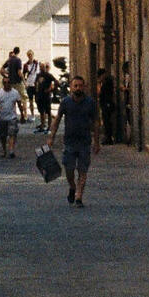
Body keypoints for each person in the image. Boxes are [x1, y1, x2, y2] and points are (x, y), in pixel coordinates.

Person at [48, 73, 100, 204]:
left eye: (80, 86)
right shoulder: (66, 102)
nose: (78, 88)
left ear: (84, 87)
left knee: (83, 170)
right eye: (75, 86)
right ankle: (72, 187)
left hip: (84, 142)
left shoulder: (90, 103)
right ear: (71, 87)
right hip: (69, 142)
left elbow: (95, 122)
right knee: (69, 170)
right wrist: (51, 137)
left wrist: (96, 142)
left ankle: (79, 196)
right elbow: (57, 119)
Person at [0, 77, 22, 157]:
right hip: (2, 117)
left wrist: (22, 114)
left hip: (12, 117)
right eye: (5, 83)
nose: (7, 84)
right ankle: (4, 149)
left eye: (8, 82)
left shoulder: (15, 93)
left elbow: (19, 104)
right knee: (2, 135)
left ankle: (11, 150)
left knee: (12, 134)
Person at [98, 67, 119, 144]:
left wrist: (108, 103)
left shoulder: (108, 82)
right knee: (106, 121)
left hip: (107, 104)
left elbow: (107, 94)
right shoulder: (103, 82)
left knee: (107, 122)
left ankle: (109, 138)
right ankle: (108, 137)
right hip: (104, 104)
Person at [33, 66, 55, 133]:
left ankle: (49, 127)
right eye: (40, 67)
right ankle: (42, 126)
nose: (41, 68)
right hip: (40, 96)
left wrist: (49, 89)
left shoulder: (48, 75)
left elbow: (55, 82)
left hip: (46, 96)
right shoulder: (38, 75)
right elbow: (35, 83)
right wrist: (36, 92)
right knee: (41, 112)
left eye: (43, 67)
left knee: (48, 112)